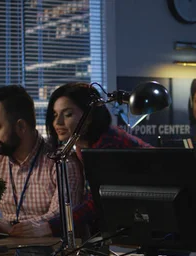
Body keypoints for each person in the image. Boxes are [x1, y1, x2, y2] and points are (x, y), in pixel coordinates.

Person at [0, 85, 84, 237]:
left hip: (49, 250)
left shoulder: (61, 161)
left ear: (21, 126)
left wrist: (10, 226)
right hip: (8, 249)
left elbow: (60, 216)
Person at [42, 82, 153, 237]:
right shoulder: (82, 142)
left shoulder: (108, 144)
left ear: (89, 117)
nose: (57, 123)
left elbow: (99, 200)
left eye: (67, 114)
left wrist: (50, 227)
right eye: (55, 115)